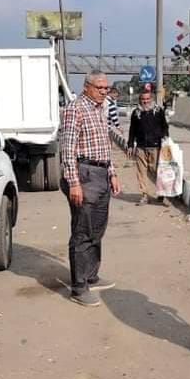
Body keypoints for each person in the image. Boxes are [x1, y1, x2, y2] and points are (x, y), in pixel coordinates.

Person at [59, 71, 122, 307]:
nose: (104, 91)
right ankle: (79, 286)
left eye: (106, 88)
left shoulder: (99, 109)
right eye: (100, 87)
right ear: (87, 87)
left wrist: (112, 173)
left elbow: (105, 145)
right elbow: (67, 148)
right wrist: (74, 182)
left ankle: (91, 274)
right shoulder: (75, 109)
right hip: (84, 175)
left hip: (101, 174)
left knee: (98, 229)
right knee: (83, 231)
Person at [127, 91, 170, 206]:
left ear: (151, 99)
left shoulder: (158, 111)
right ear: (140, 100)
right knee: (141, 172)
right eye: (143, 99)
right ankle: (144, 195)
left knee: (157, 172)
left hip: (156, 147)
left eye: (147, 99)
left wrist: (165, 138)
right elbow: (132, 130)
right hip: (141, 147)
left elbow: (164, 126)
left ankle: (162, 195)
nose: (145, 101)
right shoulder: (136, 113)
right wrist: (130, 145)